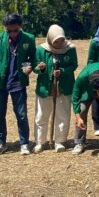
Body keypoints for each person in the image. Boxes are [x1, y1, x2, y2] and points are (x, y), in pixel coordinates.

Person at [0, 13, 36, 155]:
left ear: (20, 27)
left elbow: (32, 57)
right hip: (0, 82)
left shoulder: (29, 38)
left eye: (15, 30)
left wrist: (29, 67)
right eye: (9, 31)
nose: (12, 33)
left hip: (18, 81)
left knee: (21, 114)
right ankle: (1, 143)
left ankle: (24, 143)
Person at [32, 24, 78, 153]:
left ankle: (59, 141)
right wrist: (41, 68)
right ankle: (40, 141)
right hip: (45, 87)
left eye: (61, 40)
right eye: (56, 41)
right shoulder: (41, 49)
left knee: (62, 115)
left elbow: (74, 65)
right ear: (50, 39)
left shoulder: (70, 48)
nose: (59, 43)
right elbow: (36, 68)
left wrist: (62, 71)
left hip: (64, 87)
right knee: (41, 115)